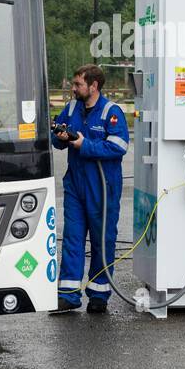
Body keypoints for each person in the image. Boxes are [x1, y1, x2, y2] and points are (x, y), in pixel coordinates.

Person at [51, 64, 130, 313]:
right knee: (72, 239)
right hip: (75, 185)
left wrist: (83, 144)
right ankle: (68, 295)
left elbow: (119, 147)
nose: (73, 88)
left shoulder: (111, 112)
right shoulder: (72, 107)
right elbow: (57, 136)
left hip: (103, 188)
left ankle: (99, 294)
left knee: (102, 241)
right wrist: (60, 136)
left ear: (93, 86)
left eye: (78, 85)